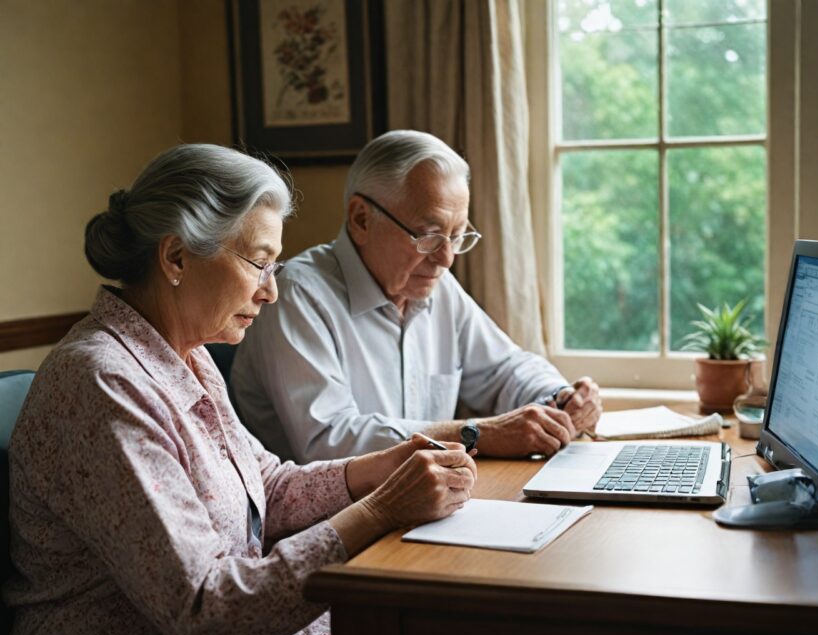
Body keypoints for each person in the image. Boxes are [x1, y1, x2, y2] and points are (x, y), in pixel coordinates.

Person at [3, 144, 475, 635]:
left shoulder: (188, 357)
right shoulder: (102, 383)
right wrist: (379, 512)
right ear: (176, 257)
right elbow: (204, 608)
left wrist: (381, 468)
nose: (271, 291)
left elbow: (266, 488)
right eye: (258, 263)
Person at [231, 130, 602, 464]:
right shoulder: (298, 295)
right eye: (429, 235)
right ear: (361, 219)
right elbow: (330, 442)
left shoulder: (436, 286)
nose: (446, 257)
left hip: (420, 509)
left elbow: (504, 370)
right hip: (329, 523)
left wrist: (559, 397)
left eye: (458, 235)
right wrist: (478, 434)